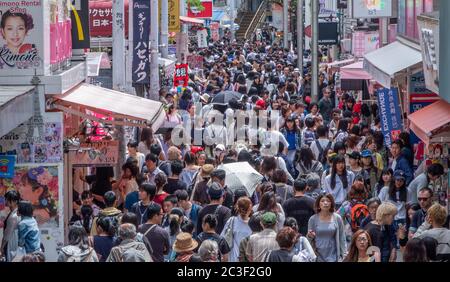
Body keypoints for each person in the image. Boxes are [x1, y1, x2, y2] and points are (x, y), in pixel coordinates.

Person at [307, 193, 347, 262]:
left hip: (333, 255)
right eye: (322, 201)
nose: (325, 203)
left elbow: (342, 237)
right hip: (318, 255)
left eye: (328, 201)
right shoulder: (313, 219)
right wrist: (310, 236)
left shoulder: (337, 218)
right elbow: (309, 239)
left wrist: (344, 253)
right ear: (318, 204)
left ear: (331, 203)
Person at [220, 197, 253, 262]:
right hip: (248, 258)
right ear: (249, 209)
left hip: (233, 257)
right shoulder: (253, 224)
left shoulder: (232, 221)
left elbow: (222, 237)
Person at [1, 190, 20, 261]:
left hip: (11, 243)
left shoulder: (13, 216)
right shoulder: (14, 212)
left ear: (15, 201)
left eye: (8, 200)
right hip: (13, 242)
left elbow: (7, 235)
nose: (6, 201)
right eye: (6, 199)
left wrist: (1, 248)